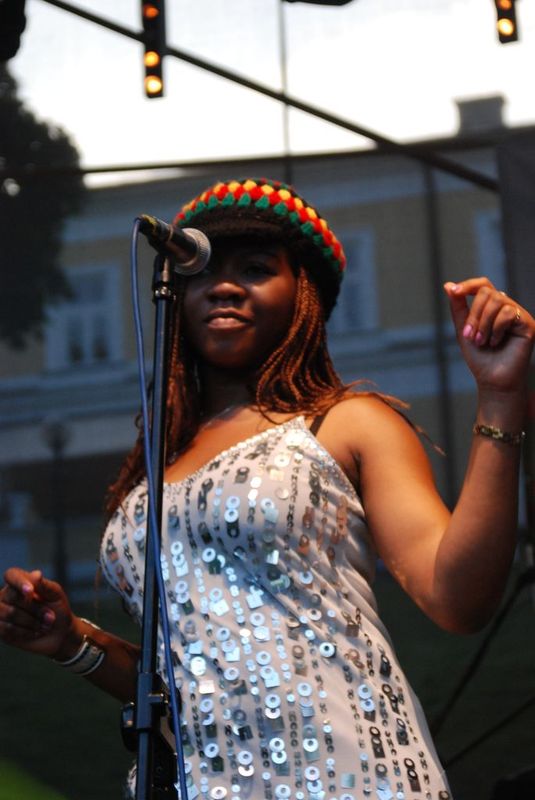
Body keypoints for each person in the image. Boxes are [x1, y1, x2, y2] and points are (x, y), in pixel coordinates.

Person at [1, 176, 533, 800]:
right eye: (201, 270)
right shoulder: (154, 466)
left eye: (255, 268)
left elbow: (458, 599)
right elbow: (185, 675)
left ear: (303, 294)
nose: (224, 285)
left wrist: (500, 396)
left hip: (346, 775)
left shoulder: (344, 423)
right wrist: (71, 641)